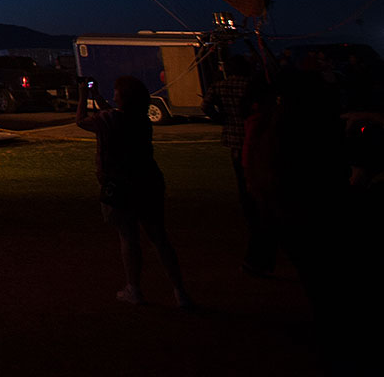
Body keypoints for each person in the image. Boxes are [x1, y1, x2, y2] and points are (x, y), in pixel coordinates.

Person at [76, 76, 193, 308]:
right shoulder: (140, 119)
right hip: (148, 181)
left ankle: (134, 289)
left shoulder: (110, 119)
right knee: (159, 238)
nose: (115, 93)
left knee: (129, 237)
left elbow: (81, 121)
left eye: (117, 91)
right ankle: (180, 292)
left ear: (124, 96)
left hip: (120, 185)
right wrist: (97, 96)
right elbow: (113, 114)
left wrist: (82, 96)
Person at [200, 54, 276, 276]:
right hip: (255, 140)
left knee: (245, 187)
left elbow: (205, 105)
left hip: (235, 141)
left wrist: (220, 117)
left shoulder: (220, 86)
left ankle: (253, 216)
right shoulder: (251, 88)